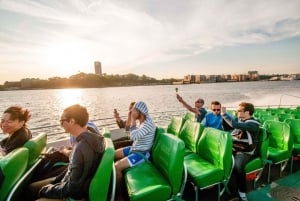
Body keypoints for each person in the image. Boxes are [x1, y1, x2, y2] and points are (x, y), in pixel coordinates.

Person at [29, 104, 105, 201]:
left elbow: (72, 189)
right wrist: (56, 181)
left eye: (62, 121)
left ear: (72, 121)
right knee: (32, 187)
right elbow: (71, 170)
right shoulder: (92, 136)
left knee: (33, 191)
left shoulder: (82, 148)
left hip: (74, 194)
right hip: (70, 183)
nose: (60, 124)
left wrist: (45, 190)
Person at [114, 101, 156, 201]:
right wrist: (130, 118)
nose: (131, 111)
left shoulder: (148, 123)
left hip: (142, 154)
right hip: (134, 148)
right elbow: (128, 132)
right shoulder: (140, 122)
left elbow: (132, 136)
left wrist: (132, 119)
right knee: (113, 154)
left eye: (133, 110)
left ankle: (119, 195)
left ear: (139, 111)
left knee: (116, 167)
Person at [221, 102, 260, 201]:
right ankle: (226, 185)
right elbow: (229, 127)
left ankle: (242, 191)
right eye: (237, 110)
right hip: (236, 147)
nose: (237, 112)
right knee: (223, 160)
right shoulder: (240, 120)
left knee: (238, 166)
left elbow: (236, 125)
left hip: (246, 151)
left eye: (239, 111)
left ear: (247, 112)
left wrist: (224, 114)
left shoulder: (253, 124)